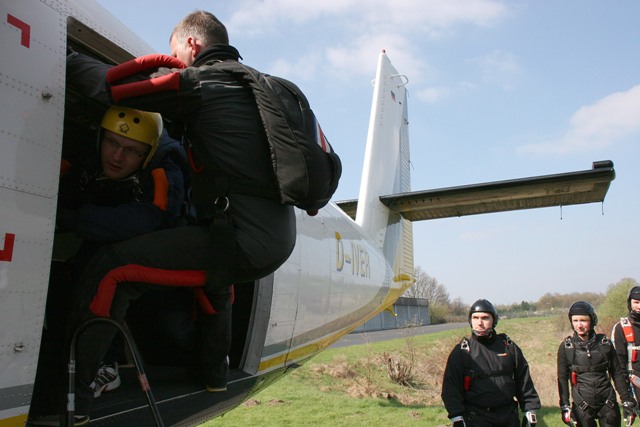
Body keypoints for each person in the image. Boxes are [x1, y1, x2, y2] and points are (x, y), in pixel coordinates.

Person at [63, 10, 297, 421]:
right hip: (270, 238)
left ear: (191, 45)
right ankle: (214, 377)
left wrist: (63, 57)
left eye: (174, 52)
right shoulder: (265, 88)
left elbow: (114, 89)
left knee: (111, 268)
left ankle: (75, 400)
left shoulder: (203, 84)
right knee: (212, 281)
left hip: (240, 240)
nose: (175, 60)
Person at [28, 106, 189, 426]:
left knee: (107, 274)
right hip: (100, 233)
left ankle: (108, 365)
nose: (116, 156)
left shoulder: (164, 170)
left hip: (154, 248)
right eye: (112, 143)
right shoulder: (86, 157)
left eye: (131, 150)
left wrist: (76, 219)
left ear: (148, 154)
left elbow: (151, 218)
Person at [441, 299, 540, 427]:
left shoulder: (508, 347)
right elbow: (450, 388)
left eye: (485, 318)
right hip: (476, 418)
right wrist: (456, 417)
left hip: (508, 416)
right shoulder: (462, 351)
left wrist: (530, 409)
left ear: (494, 320)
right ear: (470, 320)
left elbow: (524, 379)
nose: (479, 323)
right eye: (475, 318)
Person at [558, 301, 636, 427]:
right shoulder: (567, 348)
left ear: (592, 321)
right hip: (582, 406)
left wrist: (627, 401)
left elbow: (617, 374)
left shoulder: (605, 344)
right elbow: (562, 379)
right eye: (575, 321)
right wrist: (564, 406)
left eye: (583, 320)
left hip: (608, 403)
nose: (579, 325)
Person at [612, 286, 640, 423]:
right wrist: (626, 398)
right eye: (636, 302)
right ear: (630, 303)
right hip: (636, 383)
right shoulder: (621, 328)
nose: (639, 306)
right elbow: (618, 367)